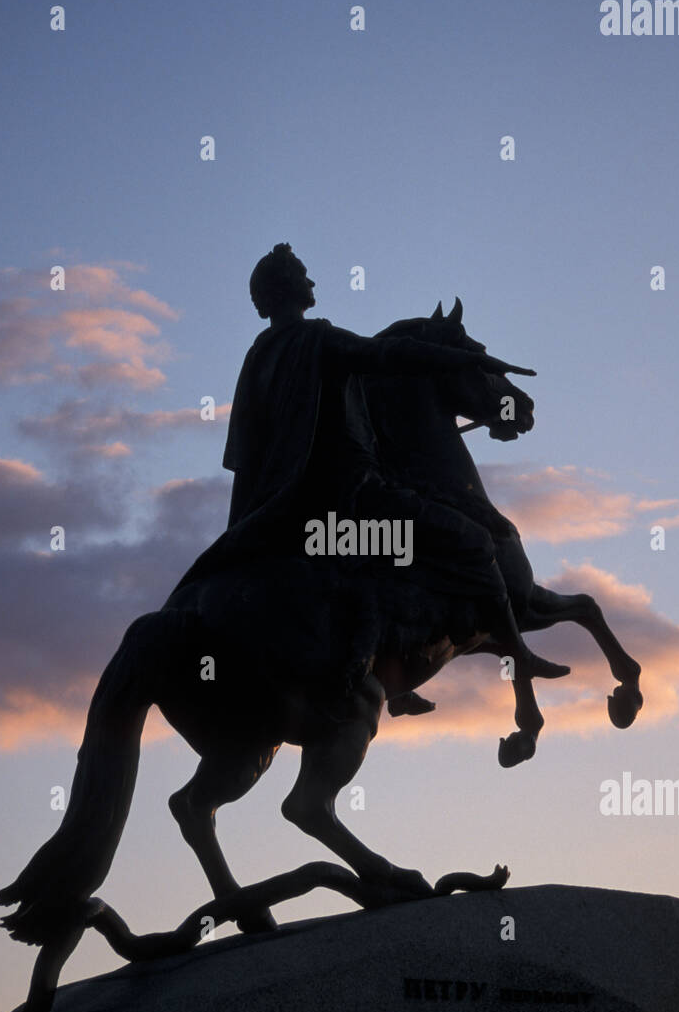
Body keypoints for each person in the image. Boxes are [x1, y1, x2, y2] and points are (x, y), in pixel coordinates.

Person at [172, 244, 568, 695]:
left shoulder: (258, 356)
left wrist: (238, 535)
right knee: (475, 542)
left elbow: (243, 458)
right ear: (286, 288)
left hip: (291, 510)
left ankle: (400, 678)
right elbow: (387, 354)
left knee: (390, 557)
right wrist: (465, 359)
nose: (313, 282)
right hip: (353, 495)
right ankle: (519, 654)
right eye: (304, 274)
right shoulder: (317, 339)